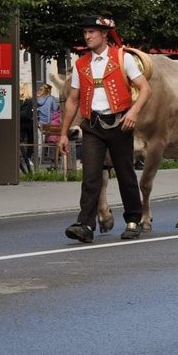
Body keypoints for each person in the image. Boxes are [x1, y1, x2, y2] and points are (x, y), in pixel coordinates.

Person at [58, 15, 152, 243]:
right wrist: (63, 133)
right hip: (92, 125)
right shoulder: (81, 64)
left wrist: (133, 112)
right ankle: (85, 224)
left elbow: (145, 88)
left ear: (104, 34)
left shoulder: (122, 58)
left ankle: (133, 220)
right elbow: (72, 100)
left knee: (125, 173)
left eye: (91, 32)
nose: (87, 36)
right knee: (91, 176)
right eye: (85, 33)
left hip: (119, 123)